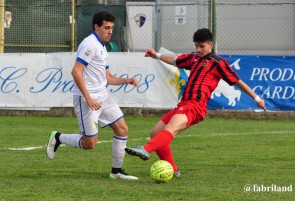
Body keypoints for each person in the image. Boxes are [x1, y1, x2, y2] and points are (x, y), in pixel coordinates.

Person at [125, 28, 266, 177]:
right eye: (196, 46)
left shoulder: (218, 62)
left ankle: (146, 150)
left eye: (202, 46)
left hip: (196, 106)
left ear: (211, 45)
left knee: (171, 128)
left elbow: (237, 81)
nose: (198, 49)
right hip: (184, 104)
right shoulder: (194, 58)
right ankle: (174, 170)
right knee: (155, 133)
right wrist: (157, 55)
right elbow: (175, 60)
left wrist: (257, 99)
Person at [47, 11, 139, 180]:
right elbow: (76, 72)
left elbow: (108, 78)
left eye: (112, 28)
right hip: (87, 100)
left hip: (103, 96)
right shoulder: (89, 44)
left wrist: (127, 80)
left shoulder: (103, 46)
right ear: (96, 27)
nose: (110, 31)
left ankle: (116, 172)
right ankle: (58, 137)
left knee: (122, 129)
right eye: (106, 28)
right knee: (90, 143)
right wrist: (89, 98)